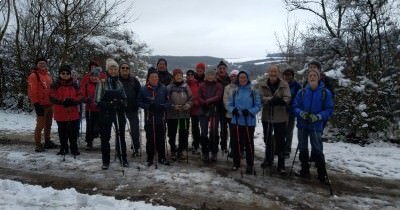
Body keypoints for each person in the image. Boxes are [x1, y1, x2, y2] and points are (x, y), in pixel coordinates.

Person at [293, 66, 334, 184]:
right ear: (307, 78)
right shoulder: (302, 92)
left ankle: (322, 174)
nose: (312, 77)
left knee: (317, 149)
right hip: (302, 125)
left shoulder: (325, 93)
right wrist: (301, 113)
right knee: (303, 147)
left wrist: (319, 116)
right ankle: (304, 170)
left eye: (314, 75)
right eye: (310, 76)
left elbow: (329, 109)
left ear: (319, 77)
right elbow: (295, 107)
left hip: (316, 126)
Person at [95, 58, 128, 170]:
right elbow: (97, 101)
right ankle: (106, 161)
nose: (113, 70)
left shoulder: (119, 83)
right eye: (111, 68)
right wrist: (109, 104)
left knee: (121, 136)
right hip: (106, 113)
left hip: (118, 113)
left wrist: (122, 102)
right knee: (105, 138)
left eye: (115, 68)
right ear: (107, 70)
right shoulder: (102, 83)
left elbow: (125, 98)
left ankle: (123, 159)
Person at [259, 64, 291, 174]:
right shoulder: (263, 84)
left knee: (280, 141)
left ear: (278, 73)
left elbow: (287, 98)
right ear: (268, 72)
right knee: (267, 139)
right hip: (267, 116)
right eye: (271, 71)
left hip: (280, 117)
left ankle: (281, 165)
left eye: (275, 71)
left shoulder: (284, 84)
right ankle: (268, 159)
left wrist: (278, 101)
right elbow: (260, 97)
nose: (273, 73)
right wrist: (271, 99)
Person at [228, 70, 261, 174]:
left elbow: (258, 106)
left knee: (249, 143)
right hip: (236, 121)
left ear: (247, 79)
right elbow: (230, 104)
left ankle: (250, 165)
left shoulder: (253, 91)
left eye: (244, 77)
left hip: (249, 121)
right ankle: (236, 163)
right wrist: (232, 110)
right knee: (236, 143)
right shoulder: (235, 91)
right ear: (238, 79)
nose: (242, 79)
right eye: (241, 77)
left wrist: (250, 111)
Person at [138, 67, 170, 166]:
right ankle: (150, 158)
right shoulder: (143, 89)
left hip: (161, 118)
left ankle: (162, 157)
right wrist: (148, 106)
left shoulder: (163, 88)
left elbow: (169, 102)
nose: (154, 78)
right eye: (152, 77)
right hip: (149, 118)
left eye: (156, 76)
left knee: (161, 139)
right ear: (149, 78)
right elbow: (138, 102)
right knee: (150, 139)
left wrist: (163, 106)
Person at [49, 64, 83, 156]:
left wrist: (73, 101)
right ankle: (63, 148)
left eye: (67, 73)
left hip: (73, 112)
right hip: (60, 112)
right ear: (60, 74)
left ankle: (74, 148)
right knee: (62, 132)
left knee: (73, 132)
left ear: (70, 74)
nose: (65, 74)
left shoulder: (74, 84)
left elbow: (80, 95)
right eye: (63, 73)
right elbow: (52, 96)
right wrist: (63, 101)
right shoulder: (55, 84)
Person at [27, 57, 58, 152]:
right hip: (40, 105)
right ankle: (38, 144)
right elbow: (32, 91)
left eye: (44, 63)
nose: (42, 64)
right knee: (40, 125)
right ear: (37, 65)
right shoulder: (34, 75)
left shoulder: (48, 75)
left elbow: (51, 89)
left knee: (48, 125)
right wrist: (36, 104)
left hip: (50, 104)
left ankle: (47, 141)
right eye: (40, 63)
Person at [166, 68, 193, 161]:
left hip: (183, 114)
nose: (179, 77)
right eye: (177, 75)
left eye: (180, 75)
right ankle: (173, 150)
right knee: (172, 133)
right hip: (172, 114)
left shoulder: (186, 87)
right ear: (174, 77)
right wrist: (173, 106)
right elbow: (166, 100)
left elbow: (191, 99)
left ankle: (182, 150)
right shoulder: (169, 87)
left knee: (183, 133)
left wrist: (188, 105)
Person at [198, 69, 223, 162]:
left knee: (214, 132)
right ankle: (205, 152)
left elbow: (218, 96)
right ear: (206, 75)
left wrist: (207, 101)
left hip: (214, 110)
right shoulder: (201, 85)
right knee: (204, 132)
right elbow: (198, 96)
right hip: (203, 110)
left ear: (215, 76)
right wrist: (204, 103)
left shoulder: (218, 85)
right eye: (209, 74)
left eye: (212, 75)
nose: (210, 76)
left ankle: (214, 152)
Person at [119, 61, 141, 157]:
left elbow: (139, 93)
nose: (125, 69)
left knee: (135, 129)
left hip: (132, 108)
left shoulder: (134, 80)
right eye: (123, 68)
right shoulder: (116, 80)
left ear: (129, 70)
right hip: (120, 109)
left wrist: (137, 103)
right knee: (120, 130)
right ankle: (120, 148)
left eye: (126, 68)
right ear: (120, 70)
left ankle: (136, 147)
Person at [283, 68, 302, 158]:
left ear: (292, 76)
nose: (287, 77)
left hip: (291, 111)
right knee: (281, 131)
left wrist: (292, 107)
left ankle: (287, 150)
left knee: (289, 131)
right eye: (286, 75)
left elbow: (299, 98)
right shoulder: (281, 85)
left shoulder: (297, 85)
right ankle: (280, 148)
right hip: (281, 111)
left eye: (289, 75)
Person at [81, 67, 102, 150]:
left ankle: (98, 136)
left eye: (96, 76)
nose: (93, 78)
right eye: (92, 76)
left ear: (98, 77)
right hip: (89, 108)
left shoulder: (101, 84)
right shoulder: (87, 84)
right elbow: (82, 95)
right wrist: (86, 99)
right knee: (89, 126)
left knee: (97, 127)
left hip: (99, 109)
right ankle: (89, 142)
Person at [223, 69, 239, 157]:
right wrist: (232, 110)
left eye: (235, 76)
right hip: (230, 115)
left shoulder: (242, 87)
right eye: (232, 76)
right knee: (232, 133)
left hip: (240, 115)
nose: (234, 77)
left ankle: (240, 149)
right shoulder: (227, 88)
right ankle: (232, 150)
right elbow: (225, 101)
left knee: (240, 133)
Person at [186, 69, 201, 155]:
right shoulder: (184, 84)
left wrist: (195, 103)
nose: (190, 76)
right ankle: (184, 145)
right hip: (186, 110)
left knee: (195, 129)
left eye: (192, 74)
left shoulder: (197, 84)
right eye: (188, 74)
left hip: (195, 109)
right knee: (184, 128)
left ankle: (196, 145)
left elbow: (200, 95)